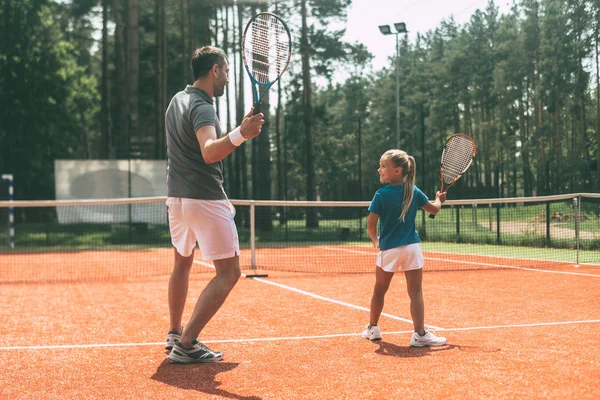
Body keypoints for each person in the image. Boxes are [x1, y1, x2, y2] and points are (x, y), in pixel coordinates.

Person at [164, 46, 264, 363]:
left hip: (176, 199)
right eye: (228, 71)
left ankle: (175, 333)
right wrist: (241, 134)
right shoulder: (204, 107)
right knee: (229, 272)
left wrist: (239, 129)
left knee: (182, 263)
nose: (228, 78)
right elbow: (209, 152)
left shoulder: (177, 101)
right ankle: (187, 343)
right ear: (216, 70)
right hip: (203, 197)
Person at [362, 149, 447, 347]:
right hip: (412, 249)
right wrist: (439, 200)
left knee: (379, 290)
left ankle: (372, 328)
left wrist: (376, 241)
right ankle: (419, 334)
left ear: (398, 171)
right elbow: (434, 209)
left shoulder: (381, 195)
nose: (379, 169)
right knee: (416, 292)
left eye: (383, 166)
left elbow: (371, 224)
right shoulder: (414, 191)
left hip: (389, 250)